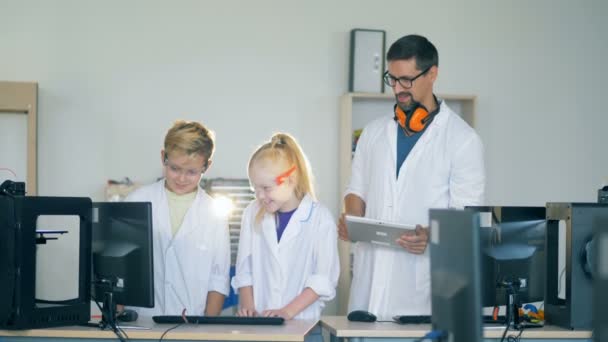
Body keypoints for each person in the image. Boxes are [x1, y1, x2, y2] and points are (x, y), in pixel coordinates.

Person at [338, 34, 485, 319]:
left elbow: (466, 220)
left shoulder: (462, 140)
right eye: (392, 79)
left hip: (421, 294)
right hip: (367, 292)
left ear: (432, 74)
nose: (398, 89)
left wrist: (431, 236)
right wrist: (351, 221)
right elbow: (355, 191)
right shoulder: (373, 133)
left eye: (406, 79)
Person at [125, 120, 231, 316]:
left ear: (206, 166)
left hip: (192, 323)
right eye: (174, 168)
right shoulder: (136, 201)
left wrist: (207, 331)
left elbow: (218, 279)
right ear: (163, 157)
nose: (181, 179)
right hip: (141, 322)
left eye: (191, 172)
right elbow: (119, 271)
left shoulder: (214, 213)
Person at [232, 133, 339, 322]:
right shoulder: (252, 213)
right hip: (259, 326)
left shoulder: (320, 219)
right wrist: (248, 309)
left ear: (291, 178)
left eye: (266, 188)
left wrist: (287, 312)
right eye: (255, 189)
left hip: (303, 327)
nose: (260, 196)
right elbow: (244, 270)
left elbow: (323, 278)